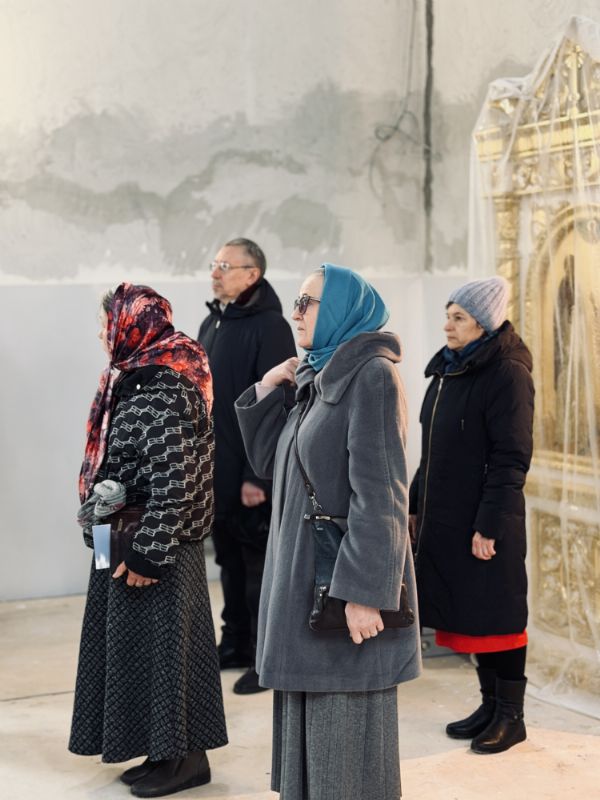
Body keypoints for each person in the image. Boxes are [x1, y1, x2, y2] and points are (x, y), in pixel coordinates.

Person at [235, 264, 420, 800]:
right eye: (295, 301)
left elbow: (382, 495)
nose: (296, 313)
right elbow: (272, 463)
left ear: (340, 309)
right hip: (304, 579)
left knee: (343, 735)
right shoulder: (319, 375)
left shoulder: (372, 376)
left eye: (308, 302)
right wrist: (269, 387)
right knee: (312, 723)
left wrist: (365, 594)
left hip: (341, 586)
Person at [69, 283, 228, 798]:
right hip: (123, 538)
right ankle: (163, 753)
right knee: (136, 652)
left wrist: (148, 555)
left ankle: (185, 760)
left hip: (151, 546)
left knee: (166, 656)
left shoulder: (163, 385)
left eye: (106, 324)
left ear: (132, 325)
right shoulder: (134, 377)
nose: (101, 334)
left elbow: (174, 480)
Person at [409, 275, 534, 755]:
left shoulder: (507, 373)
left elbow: (511, 458)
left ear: (484, 323)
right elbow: (432, 451)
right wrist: (416, 504)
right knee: (472, 615)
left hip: (486, 520)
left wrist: (489, 525)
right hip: (448, 516)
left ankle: (512, 716)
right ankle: (489, 705)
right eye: (448, 315)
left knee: (499, 613)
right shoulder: (449, 370)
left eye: (459, 317)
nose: (448, 325)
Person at [197, 238, 296, 695]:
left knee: (259, 568)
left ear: (252, 274)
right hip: (216, 470)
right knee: (228, 561)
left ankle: (263, 655)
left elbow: (279, 402)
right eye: (215, 264)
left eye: (225, 266)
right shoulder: (213, 322)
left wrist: (259, 475)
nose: (215, 273)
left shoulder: (270, 326)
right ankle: (235, 641)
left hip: (251, 473)